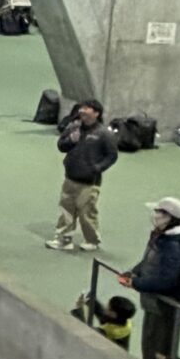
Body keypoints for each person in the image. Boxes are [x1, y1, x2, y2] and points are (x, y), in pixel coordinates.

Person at [124, 196, 180, 359]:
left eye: (158, 211)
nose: (154, 215)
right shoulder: (163, 236)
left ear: (169, 217)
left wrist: (136, 283)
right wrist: (135, 272)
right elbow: (150, 260)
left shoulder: (173, 246)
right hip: (155, 303)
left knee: (157, 348)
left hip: (164, 305)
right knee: (150, 342)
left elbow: (166, 281)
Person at [47, 97, 118, 253]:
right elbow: (61, 146)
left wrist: (97, 168)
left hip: (89, 182)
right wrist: (71, 140)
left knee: (87, 213)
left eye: (86, 108)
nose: (82, 111)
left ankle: (92, 241)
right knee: (66, 210)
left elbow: (112, 156)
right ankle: (64, 240)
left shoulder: (104, 134)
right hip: (70, 177)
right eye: (81, 108)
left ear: (96, 113)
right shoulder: (74, 128)